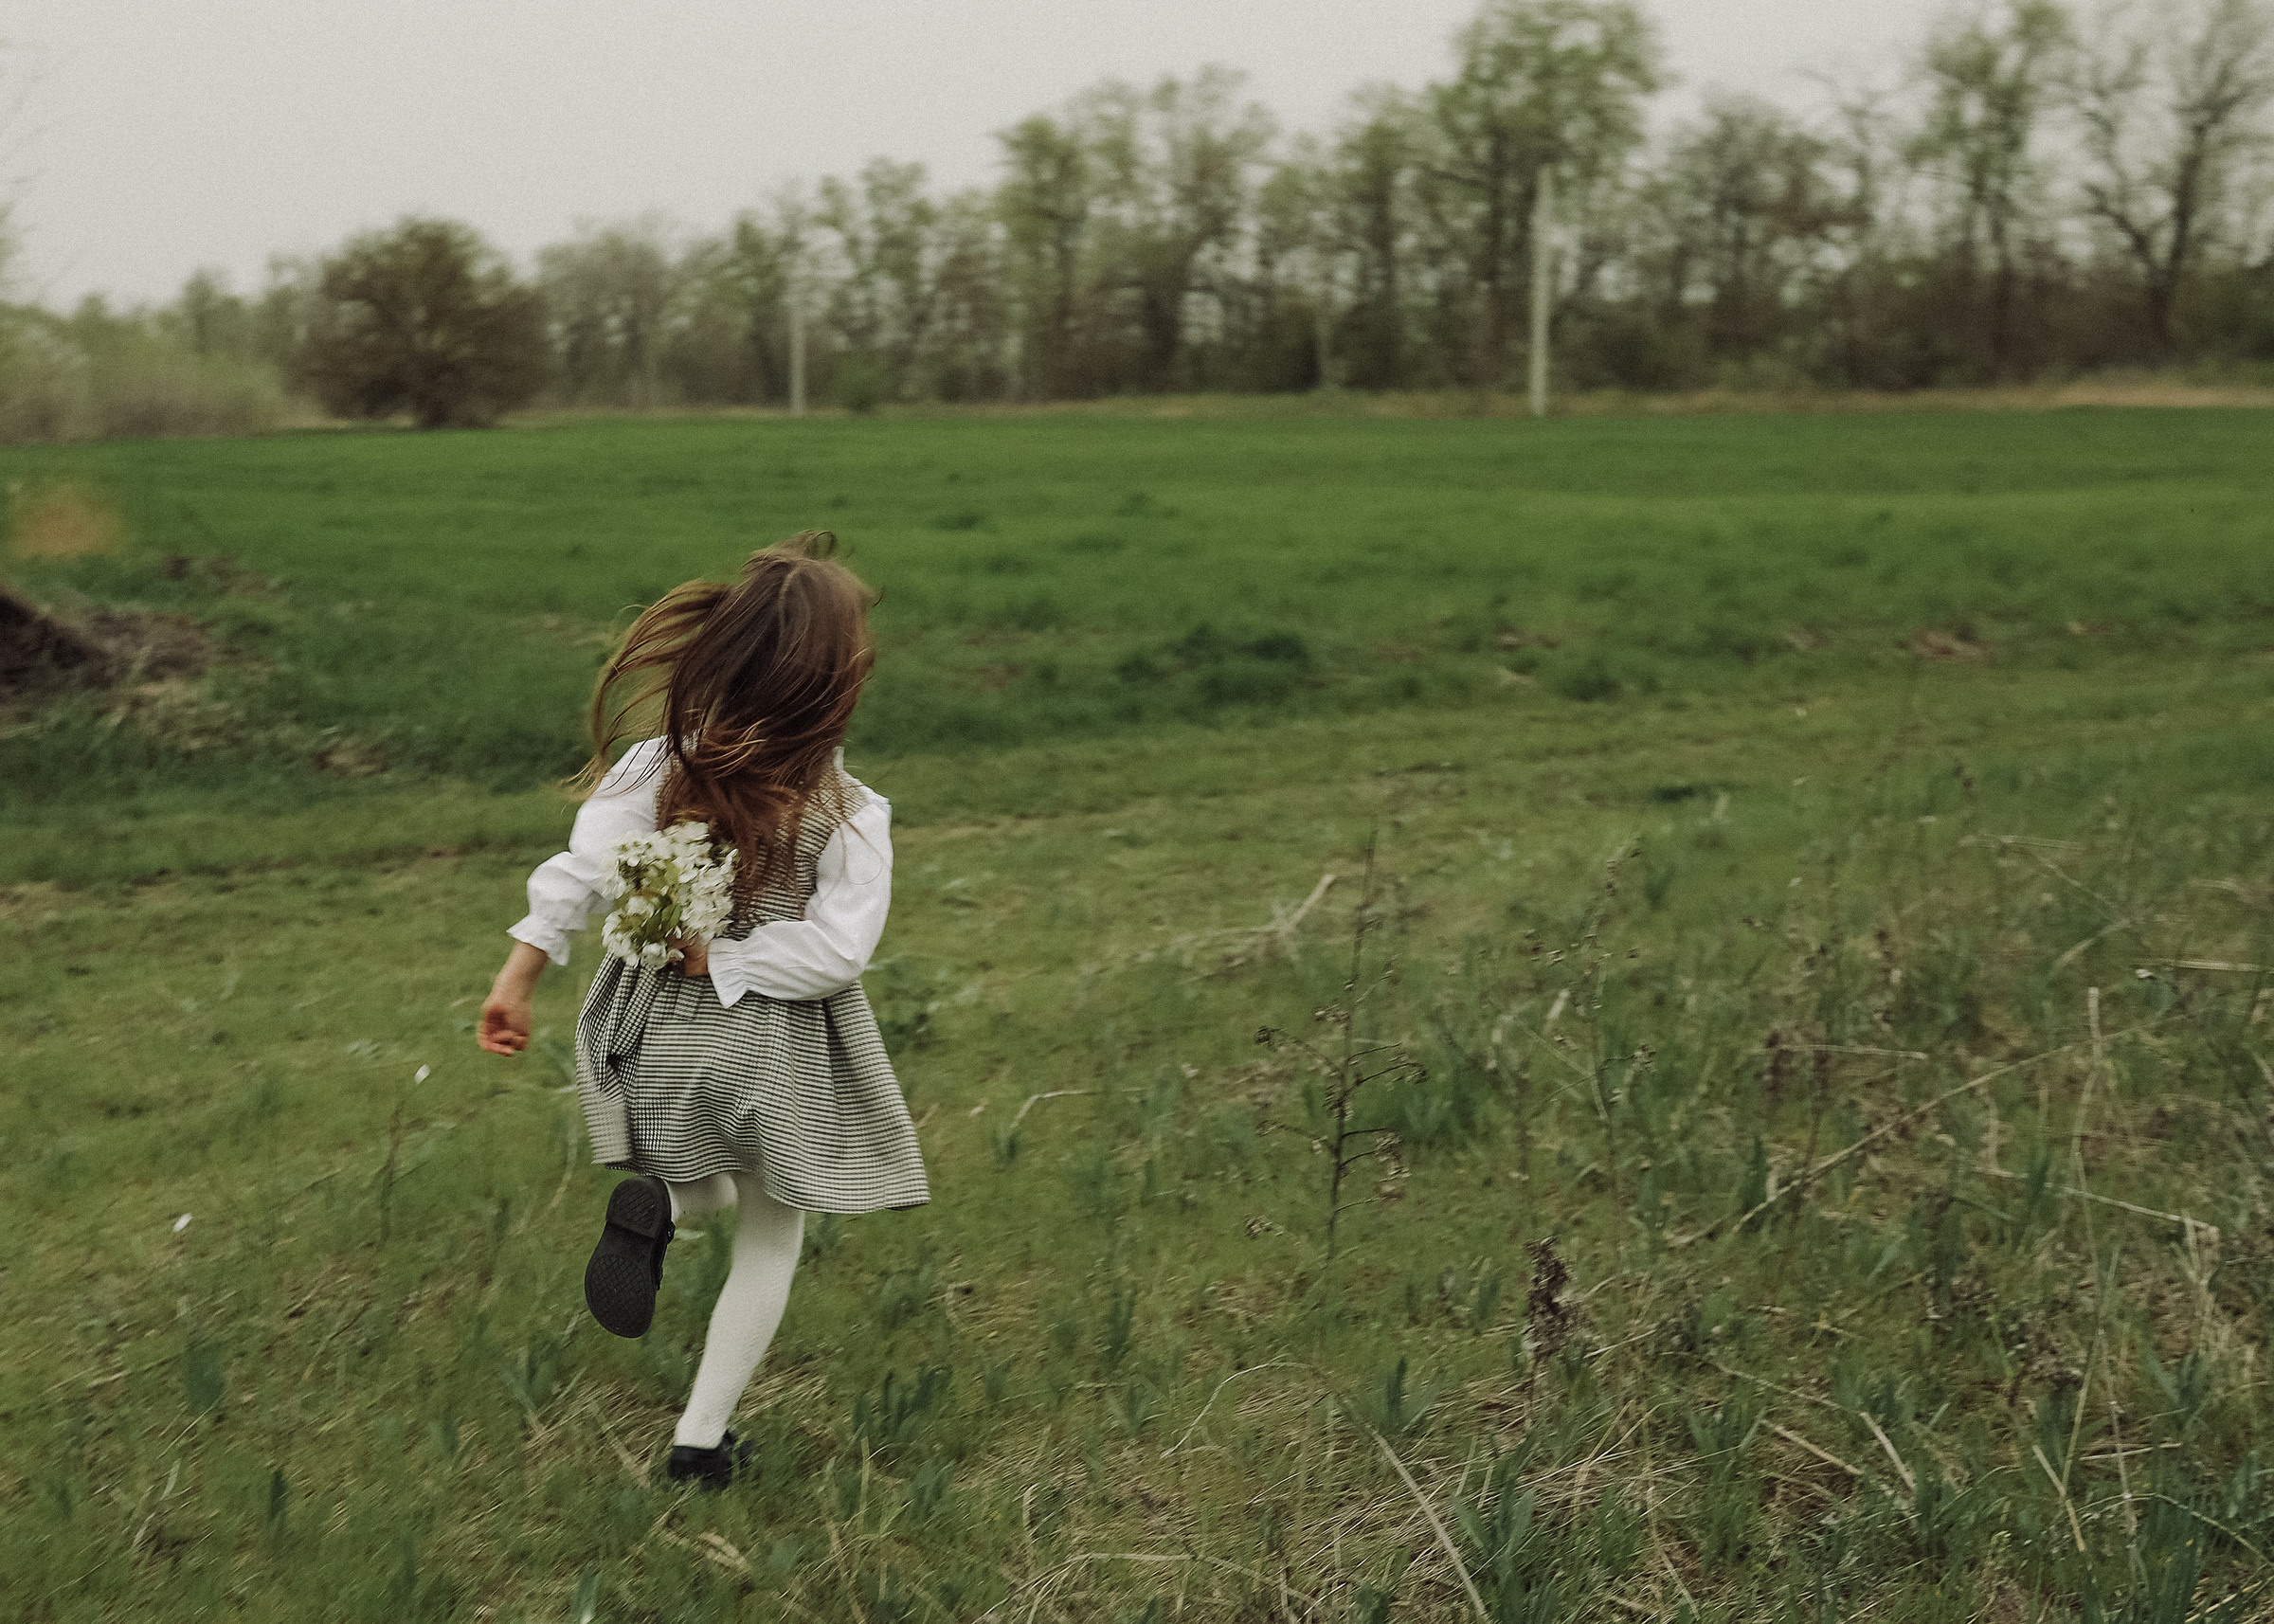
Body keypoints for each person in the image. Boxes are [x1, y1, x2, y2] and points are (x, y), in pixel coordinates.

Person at [475, 532, 927, 1491]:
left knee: (703, 1176)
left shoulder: (653, 766)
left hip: (649, 1035)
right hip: (764, 1046)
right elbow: (839, 952)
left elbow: (580, 873)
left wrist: (518, 975)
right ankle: (700, 1440)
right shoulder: (849, 809)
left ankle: (668, 1207)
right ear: (838, 685)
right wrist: (730, 956)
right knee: (772, 1227)